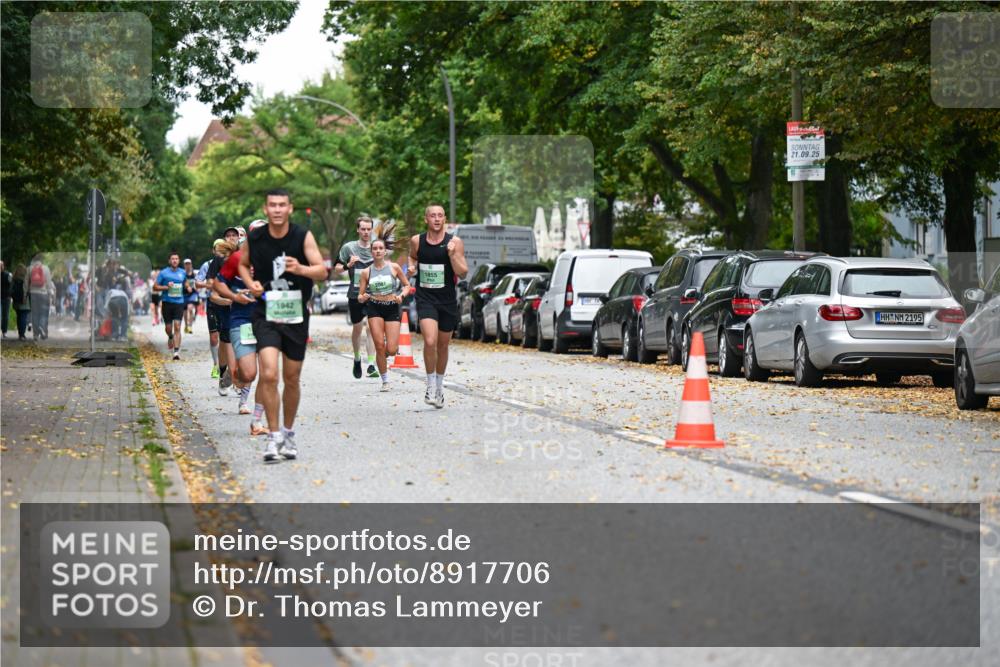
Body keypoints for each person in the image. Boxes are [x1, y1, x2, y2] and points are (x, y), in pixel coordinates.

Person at [239, 189, 326, 463]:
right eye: (272, 205)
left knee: (291, 378)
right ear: (265, 209)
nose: (277, 209)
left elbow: (322, 270)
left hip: (295, 314)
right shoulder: (255, 238)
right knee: (268, 374)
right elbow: (242, 264)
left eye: (282, 205)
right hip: (265, 311)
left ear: (290, 208)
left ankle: (288, 433)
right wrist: (251, 283)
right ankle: (273, 436)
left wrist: (300, 269)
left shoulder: (302, 236)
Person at [407, 204, 468, 408]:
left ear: (444, 219)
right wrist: (411, 266)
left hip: (447, 300)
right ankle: (430, 384)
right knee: (430, 341)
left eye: (440, 215)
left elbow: (463, 273)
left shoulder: (455, 242)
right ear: (426, 219)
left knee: (442, 345)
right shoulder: (417, 241)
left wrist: (452, 255)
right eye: (432, 215)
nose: (436, 219)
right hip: (425, 298)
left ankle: (440, 387)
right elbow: (412, 256)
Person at [214, 223, 267, 433]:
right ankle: (234, 375)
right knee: (249, 373)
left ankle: (257, 420)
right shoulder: (238, 258)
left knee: (268, 372)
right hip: (242, 320)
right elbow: (218, 285)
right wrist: (235, 297)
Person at [357, 233, 410, 392]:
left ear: (385, 251)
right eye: (375, 248)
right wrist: (363, 297)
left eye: (381, 248)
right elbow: (360, 296)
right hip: (374, 308)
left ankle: (384, 354)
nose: (378, 251)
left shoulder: (394, 267)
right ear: (371, 252)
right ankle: (385, 380)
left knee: (391, 349)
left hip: (392, 307)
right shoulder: (366, 272)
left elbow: (407, 285)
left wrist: (401, 296)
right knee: (379, 345)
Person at [335, 215, 378, 379]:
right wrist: (348, 265)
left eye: (369, 229)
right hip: (355, 294)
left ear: (372, 230)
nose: (366, 232)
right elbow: (337, 268)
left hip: (373, 294)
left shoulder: (376, 247)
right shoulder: (349, 248)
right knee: (358, 328)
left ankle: (371, 364)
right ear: (358, 230)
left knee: (371, 327)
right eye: (363, 229)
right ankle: (357, 358)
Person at [153, 252, 187, 360]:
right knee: (168, 328)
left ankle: (176, 352)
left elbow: (185, 283)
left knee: (177, 326)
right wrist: (166, 287)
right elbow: (155, 287)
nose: (175, 260)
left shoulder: (183, 272)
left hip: (179, 302)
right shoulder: (163, 273)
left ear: (179, 260)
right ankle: (170, 336)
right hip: (167, 302)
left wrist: (188, 287)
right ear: (169, 261)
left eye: (176, 259)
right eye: (173, 259)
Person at [27, 258, 53, 340]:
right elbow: (49, 283)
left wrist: (25, 294)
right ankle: (42, 328)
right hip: (43, 293)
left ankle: (35, 334)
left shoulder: (29, 269)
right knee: (43, 313)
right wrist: (50, 294)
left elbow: (26, 283)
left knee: (35, 314)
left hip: (33, 293)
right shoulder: (46, 268)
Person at [11, 265, 31, 340]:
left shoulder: (14, 279)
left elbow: (11, 289)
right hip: (24, 301)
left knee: (19, 317)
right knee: (23, 317)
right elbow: (27, 289)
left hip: (16, 301)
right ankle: (22, 334)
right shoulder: (26, 279)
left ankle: (20, 334)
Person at [183, 258, 198, 334]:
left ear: (191, 264)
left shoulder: (194, 274)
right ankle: (186, 325)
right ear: (184, 265)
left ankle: (190, 326)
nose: (187, 265)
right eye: (186, 264)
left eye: (189, 264)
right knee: (185, 311)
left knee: (190, 308)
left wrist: (196, 287)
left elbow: (198, 282)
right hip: (184, 294)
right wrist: (186, 286)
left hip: (193, 294)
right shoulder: (182, 274)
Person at [1, 261, 11, 338]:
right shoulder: (8, 275)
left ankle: (4, 331)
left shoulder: (8, 275)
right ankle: (4, 332)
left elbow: (12, 284)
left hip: (6, 297)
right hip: (6, 297)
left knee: (5, 315)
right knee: (5, 315)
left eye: (1, 266)